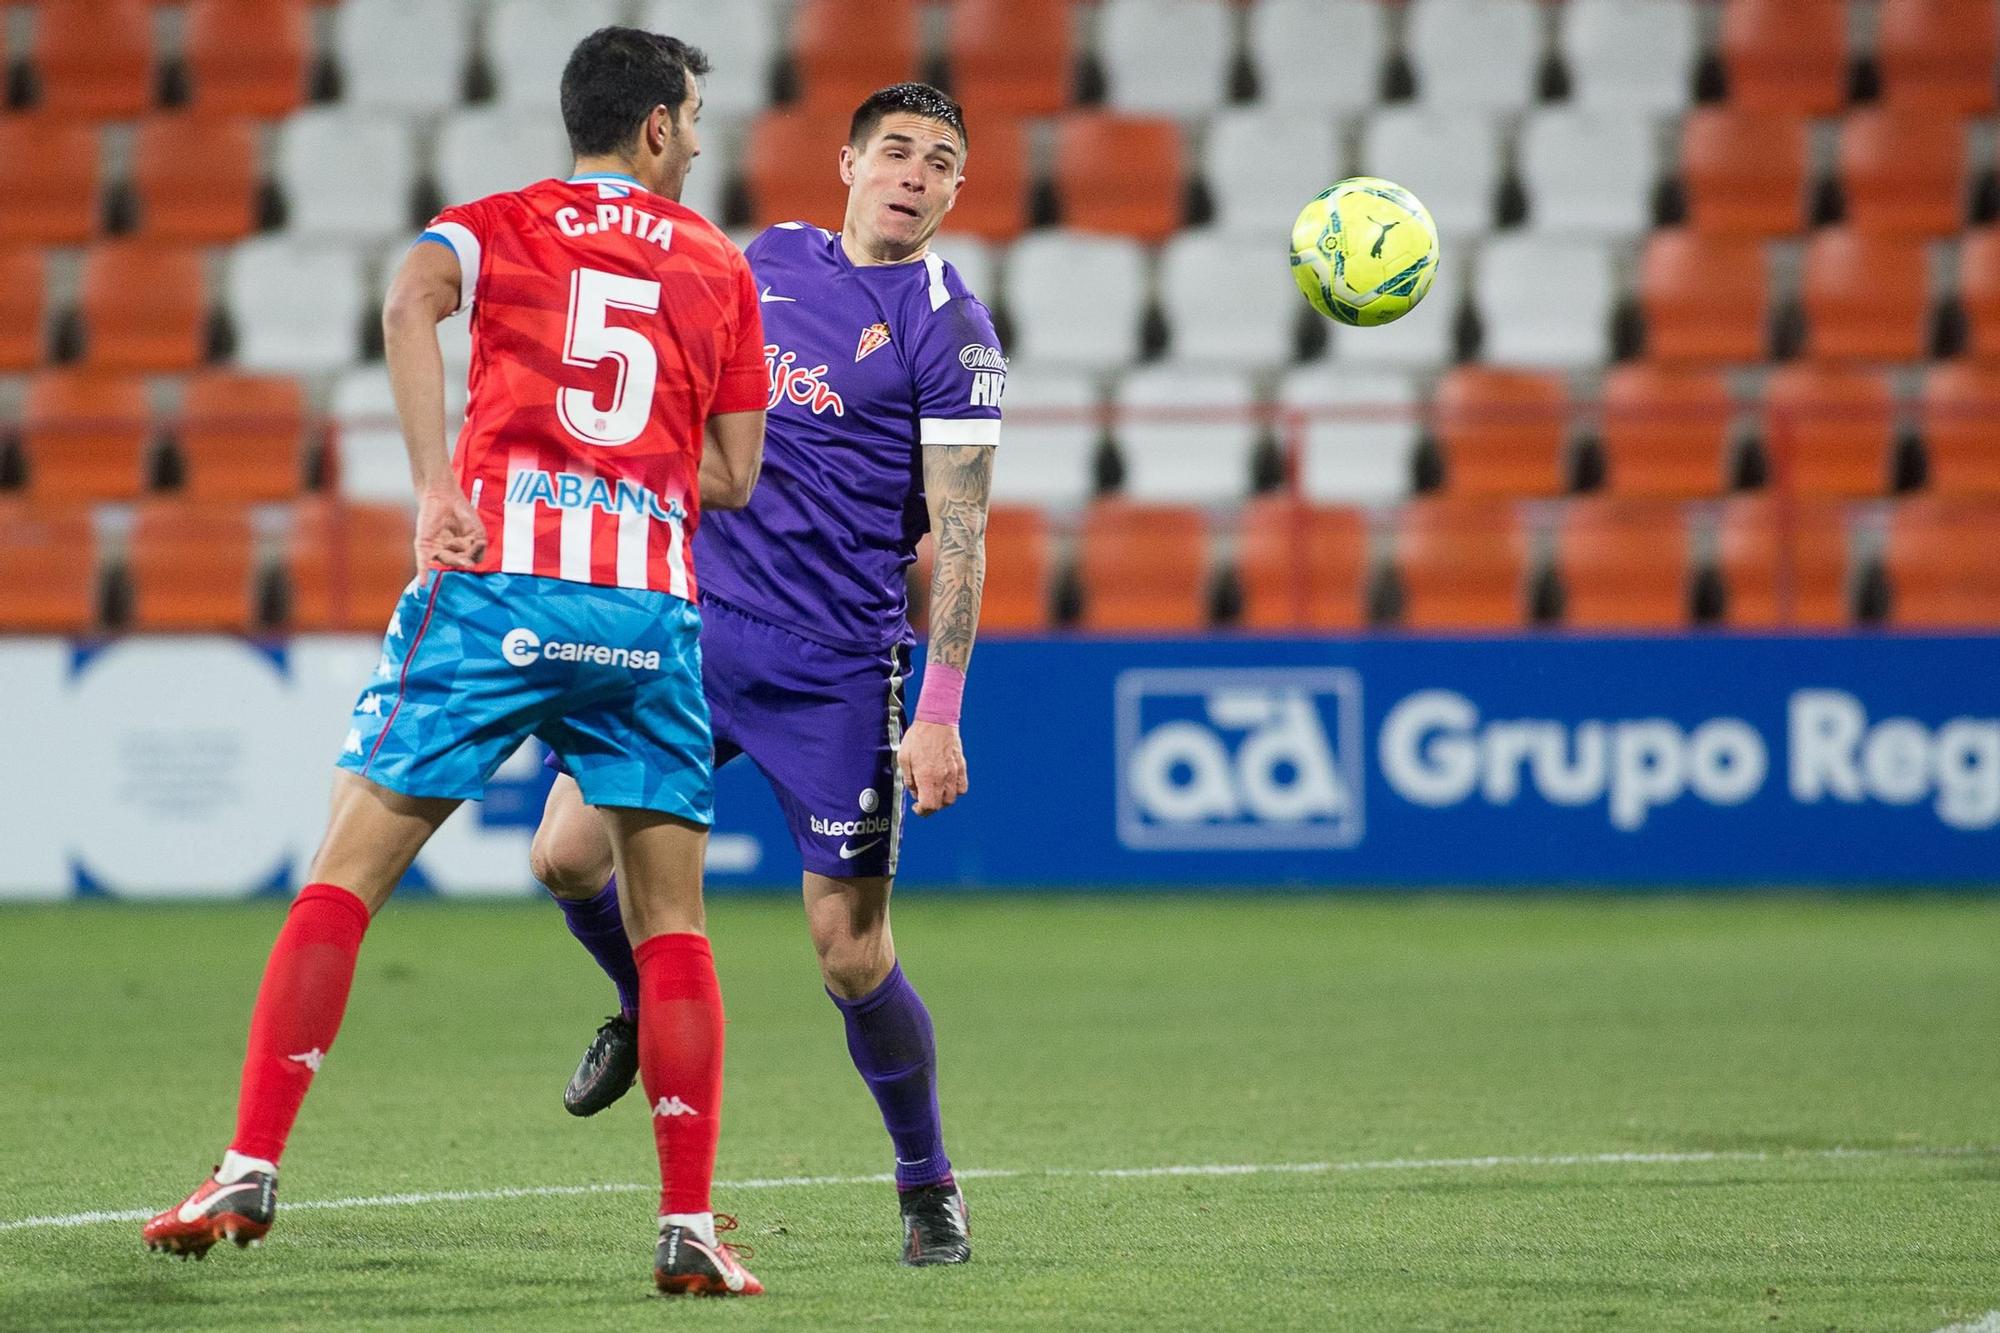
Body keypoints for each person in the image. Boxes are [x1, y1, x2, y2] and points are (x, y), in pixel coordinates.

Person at [140, 28, 771, 1298]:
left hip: (497, 592)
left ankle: (250, 1162)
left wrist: (439, 486)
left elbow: (408, 301)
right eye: (694, 118)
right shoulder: (717, 264)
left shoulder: (494, 221)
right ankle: (690, 1223)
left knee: (345, 876)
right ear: (653, 127)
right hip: (645, 610)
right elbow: (737, 476)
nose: (701, 140)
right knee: (673, 931)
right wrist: (630, 466)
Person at [530, 82, 1003, 1267]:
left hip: (836, 670)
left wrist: (936, 711)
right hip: (694, 629)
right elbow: (689, 409)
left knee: (848, 950)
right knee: (562, 855)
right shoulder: (772, 258)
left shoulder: (955, 330)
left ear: (955, 191)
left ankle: (925, 1180)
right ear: (844, 162)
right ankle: (643, 1003)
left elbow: (963, 530)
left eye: (939, 161)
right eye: (893, 150)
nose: (913, 173)